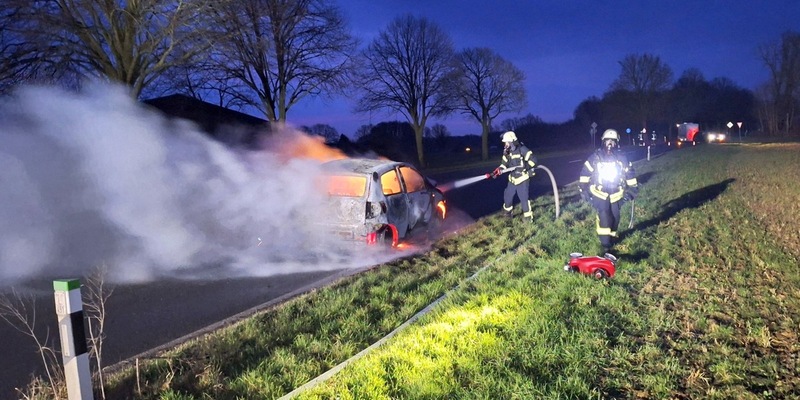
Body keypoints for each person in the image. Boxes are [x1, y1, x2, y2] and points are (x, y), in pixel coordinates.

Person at [578, 129, 638, 254]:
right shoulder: (596, 157)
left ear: (617, 143)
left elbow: (630, 173)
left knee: (615, 217)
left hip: (616, 193)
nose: (610, 144)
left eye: (613, 141)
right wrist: (583, 189)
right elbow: (585, 172)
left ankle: (611, 237)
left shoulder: (622, 158)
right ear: (603, 142)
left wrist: (632, 190)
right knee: (604, 215)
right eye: (607, 141)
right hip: (599, 193)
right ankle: (605, 245)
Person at [491, 131, 537, 221]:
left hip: (523, 178)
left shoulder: (522, 149)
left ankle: (528, 218)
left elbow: (534, 160)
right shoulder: (507, 152)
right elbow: (504, 164)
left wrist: (526, 166)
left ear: (512, 141)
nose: (505, 144)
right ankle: (507, 214)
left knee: (523, 199)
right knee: (507, 196)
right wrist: (499, 169)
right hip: (512, 179)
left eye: (507, 142)